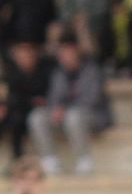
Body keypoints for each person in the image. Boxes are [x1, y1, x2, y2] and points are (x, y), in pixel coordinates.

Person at [29, 37, 110, 175]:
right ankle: (50, 160)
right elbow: (53, 98)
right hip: (64, 117)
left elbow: (92, 100)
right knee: (37, 117)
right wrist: (56, 110)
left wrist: (65, 110)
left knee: (73, 116)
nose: (66, 58)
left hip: (92, 116)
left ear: (77, 53)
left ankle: (84, 159)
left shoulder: (92, 71)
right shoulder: (58, 73)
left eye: (69, 53)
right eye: (62, 54)